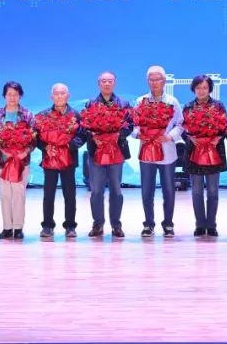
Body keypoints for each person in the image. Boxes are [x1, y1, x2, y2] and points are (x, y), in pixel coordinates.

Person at [131, 65, 184, 238]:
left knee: (168, 190)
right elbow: (133, 124)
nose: (154, 82)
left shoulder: (172, 101)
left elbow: (180, 124)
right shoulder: (141, 101)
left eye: (158, 79)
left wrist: (170, 136)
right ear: (147, 81)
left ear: (164, 81)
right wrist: (138, 134)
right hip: (146, 151)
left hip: (167, 152)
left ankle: (168, 224)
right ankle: (148, 224)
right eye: (151, 79)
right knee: (147, 190)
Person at [84, 71, 133, 239]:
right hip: (96, 152)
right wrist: (94, 136)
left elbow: (130, 125)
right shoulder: (91, 103)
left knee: (116, 191)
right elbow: (85, 126)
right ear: (98, 83)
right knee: (96, 191)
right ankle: (98, 224)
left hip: (116, 151)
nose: (107, 84)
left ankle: (116, 225)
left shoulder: (123, 104)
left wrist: (117, 135)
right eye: (103, 81)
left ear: (115, 83)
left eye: (110, 81)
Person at [34, 83, 86, 240]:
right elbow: (35, 137)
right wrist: (45, 147)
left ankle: (70, 226)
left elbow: (82, 135)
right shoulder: (42, 116)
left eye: (62, 93)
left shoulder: (76, 115)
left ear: (68, 96)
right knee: (48, 194)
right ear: (51, 97)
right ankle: (47, 226)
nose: (59, 96)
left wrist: (69, 145)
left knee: (69, 194)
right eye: (56, 94)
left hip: (68, 159)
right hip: (50, 159)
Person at [182, 75, 227, 237]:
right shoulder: (188, 107)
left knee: (213, 191)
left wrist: (218, 137)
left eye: (205, 88)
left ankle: (212, 225)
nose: (201, 91)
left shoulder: (218, 106)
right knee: (196, 192)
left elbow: (225, 127)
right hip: (195, 153)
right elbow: (182, 129)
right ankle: (200, 225)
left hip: (213, 153)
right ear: (193, 89)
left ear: (210, 89)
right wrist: (189, 138)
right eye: (198, 88)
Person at [0, 81, 33, 240]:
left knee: (19, 194)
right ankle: (7, 227)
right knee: (5, 194)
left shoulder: (27, 114)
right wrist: (3, 150)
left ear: (20, 95)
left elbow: (34, 136)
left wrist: (24, 151)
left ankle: (18, 227)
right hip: (1, 160)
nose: (12, 97)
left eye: (15, 94)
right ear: (4, 96)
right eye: (9, 94)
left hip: (21, 161)